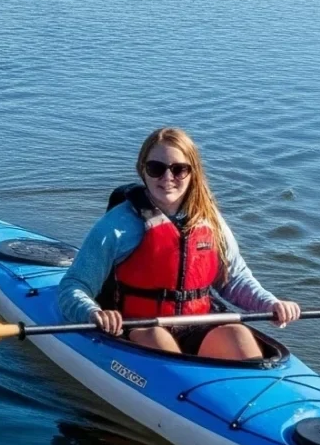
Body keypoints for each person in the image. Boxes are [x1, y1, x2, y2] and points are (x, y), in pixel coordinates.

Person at [52, 127, 300, 361]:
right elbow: (73, 286)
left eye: (179, 169)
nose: (167, 178)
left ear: (193, 173)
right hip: (138, 327)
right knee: (156, 336)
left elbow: (234, 280)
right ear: (142, 169)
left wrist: (270, 303)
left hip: (197, 323)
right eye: (156, 168)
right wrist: (93, 314)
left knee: (238, 334)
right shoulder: (118, 225)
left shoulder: (210, 222)